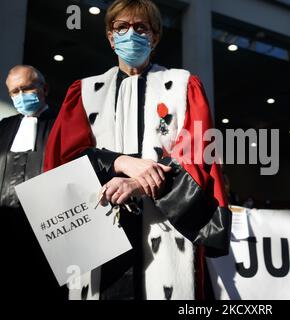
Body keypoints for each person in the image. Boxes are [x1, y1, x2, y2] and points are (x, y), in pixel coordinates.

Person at [44, 0, 231, 300]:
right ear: (110, 36)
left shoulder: (183, 86)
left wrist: (138, 183)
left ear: (154, 36)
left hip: (166, 225)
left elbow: (197, 153)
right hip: (98, 228)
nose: (131, 33)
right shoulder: (85, 92)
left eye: (141, 27)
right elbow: (62, 161)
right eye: (122, 27)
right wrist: (119, 163)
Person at [0, 65, 66, 299]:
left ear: (44, 89)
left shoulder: (64, 124)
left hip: (49, 229)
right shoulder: (4, 128)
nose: (20, 96)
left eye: (26, 88)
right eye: (14, 92)